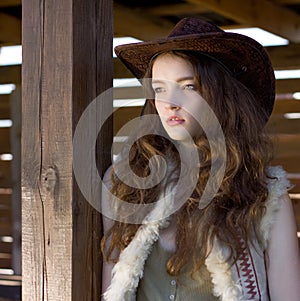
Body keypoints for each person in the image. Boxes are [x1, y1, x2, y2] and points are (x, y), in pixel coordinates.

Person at [100, 18, 300, 301]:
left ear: (220, 96)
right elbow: (111, 291)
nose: (170, 102)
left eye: (188, 86)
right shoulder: (124, 183)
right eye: (159, 88)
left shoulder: (264, 193)